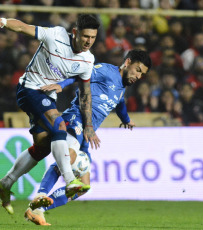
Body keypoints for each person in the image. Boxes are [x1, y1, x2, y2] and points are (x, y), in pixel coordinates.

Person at [25, 49, 152, 225]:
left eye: (142, 74)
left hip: (88, 134)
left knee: (83, 187)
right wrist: (62, 85)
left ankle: (39, 209)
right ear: (128, 62)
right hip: (75, 119)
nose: (138, 76)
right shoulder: (107, 71)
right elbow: (81, 75)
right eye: (138, 70)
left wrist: (126, 120)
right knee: (68, 157)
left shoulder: (122, 89)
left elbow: (120, 104)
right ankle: (39, 199)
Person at [0, 14, 101, 215]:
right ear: (75, 32)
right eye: (85, 36)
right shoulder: (56, 35)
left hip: (47, 98)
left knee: (42, 147)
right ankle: (70, 181)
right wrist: (4, 22)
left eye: (93, 38)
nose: (88, 42)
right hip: (29, 89)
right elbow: (24, 27)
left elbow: (85, 94)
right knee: (59, 126)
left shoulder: (87, 60)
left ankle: (5, 184)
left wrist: (89, 125)